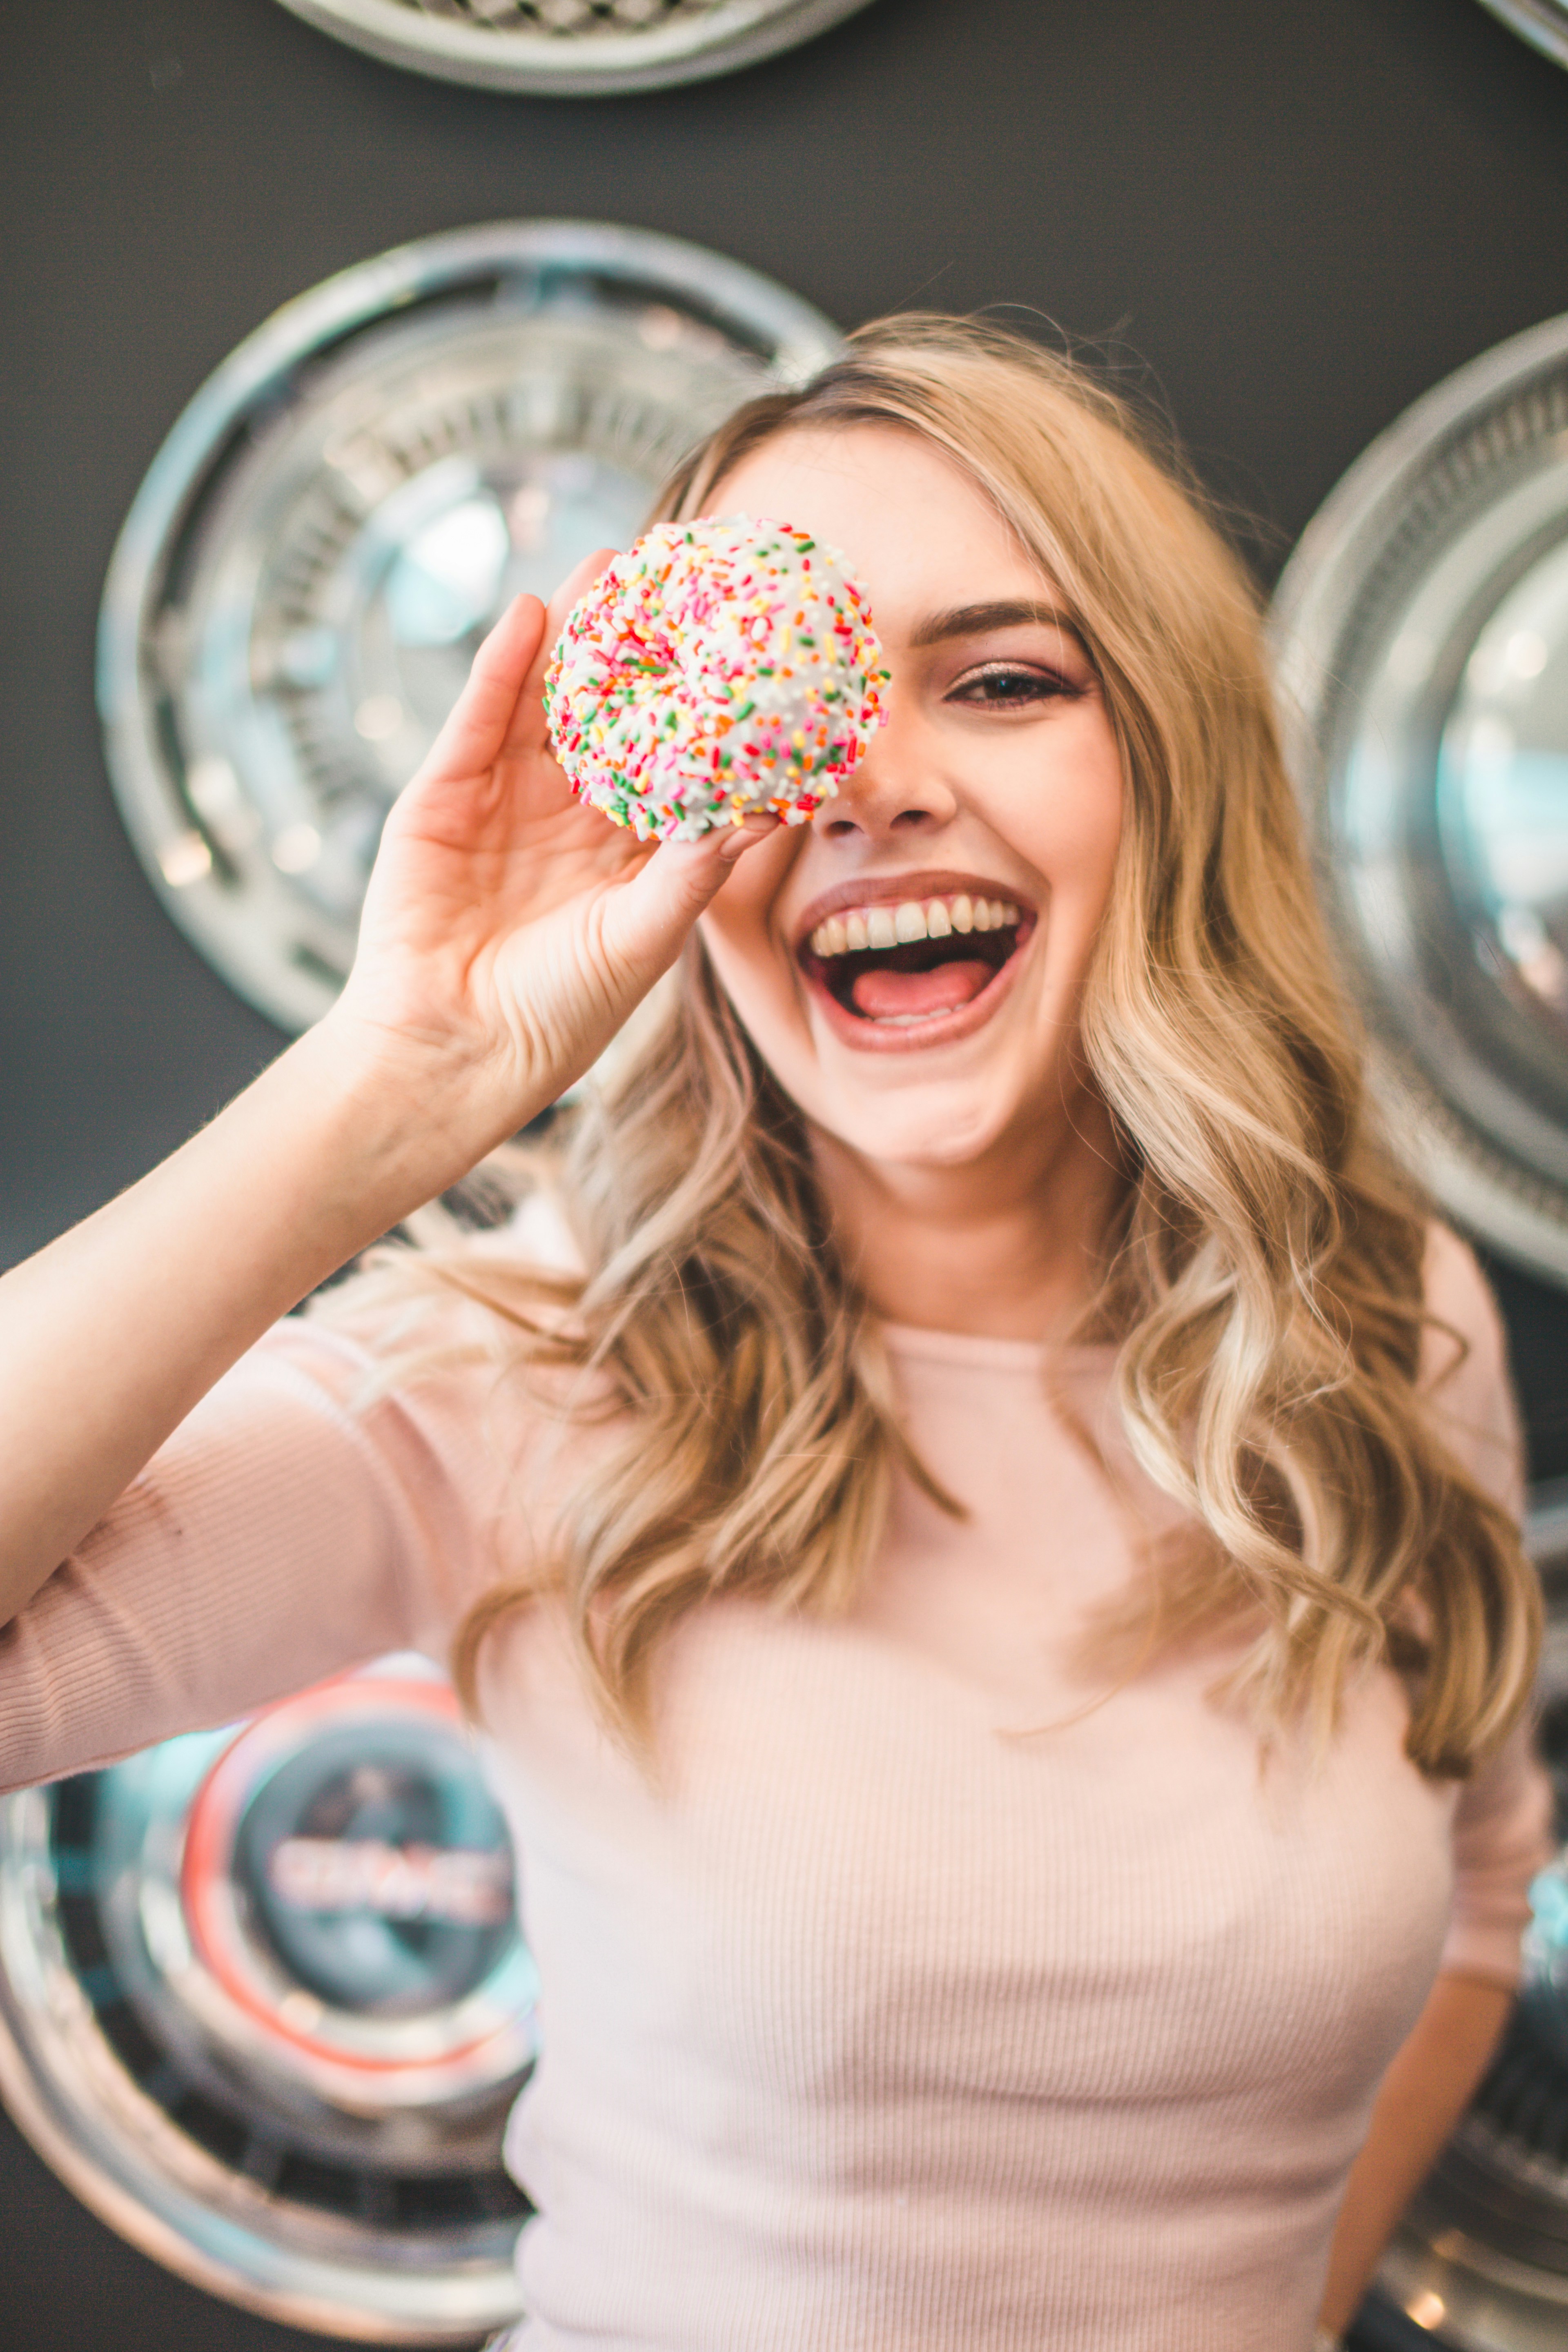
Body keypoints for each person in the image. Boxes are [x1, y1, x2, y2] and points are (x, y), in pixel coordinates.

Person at [0, 317, 1551, 2352]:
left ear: (1169, 761)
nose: (870, 785)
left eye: (999, 681)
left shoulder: (1375, 1320)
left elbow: (1477, 1890)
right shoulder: (529, 1372)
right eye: (784, 706)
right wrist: (392, 1081)